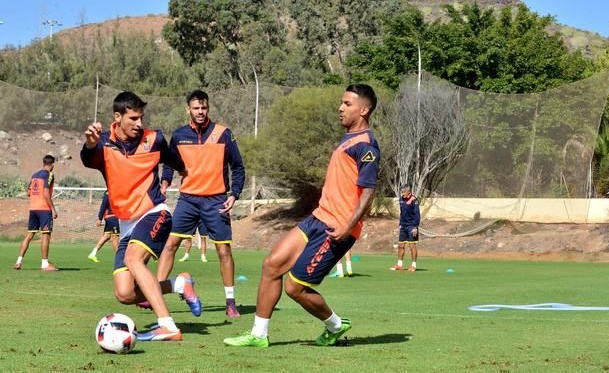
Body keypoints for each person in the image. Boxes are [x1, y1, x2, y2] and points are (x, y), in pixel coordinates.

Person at [224, 84, 380, 347]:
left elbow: (368, 192)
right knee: (271, 265)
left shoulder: (366, 145)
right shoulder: (347, 139)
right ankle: (258, 335)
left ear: (364, 110)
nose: (340, 108)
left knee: (295, 288)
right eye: (341, 103)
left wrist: (348, 226)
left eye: (347, 104)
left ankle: (335, 325)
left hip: (337, 229)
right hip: (318, 218)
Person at [80, 91, 202, 342]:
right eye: (133, 118)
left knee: (134, 259)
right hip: (126, 225)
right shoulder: (103, 145)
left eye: (141, 118)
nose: (139, 124)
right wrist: (90, 143)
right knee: (124, 293)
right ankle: (178, 285)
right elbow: (87, 158)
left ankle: (167, 325)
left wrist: (182, 170)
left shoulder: (154, 139)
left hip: (154, 212)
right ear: (118, 117)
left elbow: (171, 157)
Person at [158, 89, 245, 319]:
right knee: (170, 245)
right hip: (188, 199)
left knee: (223, 249)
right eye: (196, 108)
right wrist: (165, 182)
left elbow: (238, 167)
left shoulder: (223, 134)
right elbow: (169, 163)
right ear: (188, 109)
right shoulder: (178, 135)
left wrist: (234, 194)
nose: (200, 112)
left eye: (204, 108)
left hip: (216, 200)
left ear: (208, 108)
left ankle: (230, 302)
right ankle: (154, 294)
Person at [15, 155, 59, 271]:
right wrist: (53, 209)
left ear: (43, 163)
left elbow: (28, 193)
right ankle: (45, 264)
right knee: (46, 235)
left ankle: (19, 261)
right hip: (44, 209)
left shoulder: (34, 175)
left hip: (33, 208)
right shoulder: (49, 175)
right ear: (52, 164)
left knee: (30, 235)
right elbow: (45, 193)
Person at [390, 185, 420, 272]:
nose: (402, 194)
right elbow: (402, 212)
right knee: (401, 245)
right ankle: (399, 265)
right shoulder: (401, 199)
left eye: (404, 192)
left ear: (408, 191)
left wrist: (415, 227)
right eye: (401, 192)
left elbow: (417, 215)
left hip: (412, 226)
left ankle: (413, 265)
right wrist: (400, 224)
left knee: (412, 246)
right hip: (403, 226)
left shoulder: (414, 200)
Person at [88, 191, 120, 262]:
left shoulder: (118, 191)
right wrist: (100, 218)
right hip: (112, 217)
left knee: (107, 235)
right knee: (115, 237)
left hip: (114, 217)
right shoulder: (109, 193)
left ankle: (93, 253)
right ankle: (120, 258)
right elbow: (103, 205)